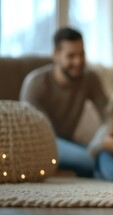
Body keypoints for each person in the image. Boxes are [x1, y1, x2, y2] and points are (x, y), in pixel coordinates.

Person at [20, 27, 108, 177]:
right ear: (56, 55)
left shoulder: (90, 77)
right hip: (41, 143)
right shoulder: (36, 83)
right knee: (94, 159)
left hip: (69, 144)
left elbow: (108, 113)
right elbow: (40, 133)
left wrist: (109, 137)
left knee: (104, 154)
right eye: (71, 56)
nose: (78, 61)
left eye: (82, 54)